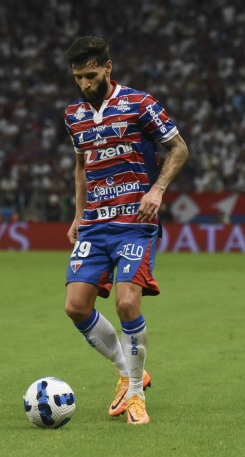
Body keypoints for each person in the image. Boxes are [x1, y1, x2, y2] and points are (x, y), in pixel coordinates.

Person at [62, 36, 189, 425]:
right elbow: (83, 166)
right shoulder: (73, 115)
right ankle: (129, 372)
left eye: (91, 74)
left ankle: (135, 395)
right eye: (78, 77)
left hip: (135, 224)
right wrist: (78, 214)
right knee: (76, 306)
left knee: (127, 304)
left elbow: (179, 148)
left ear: (108, 66)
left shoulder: (139, 104)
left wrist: (157, 190)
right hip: (95, 225)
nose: (85, 84)